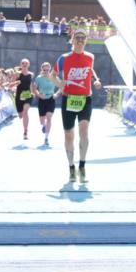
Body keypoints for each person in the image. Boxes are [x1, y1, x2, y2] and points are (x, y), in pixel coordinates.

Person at [54, 29, 102, 182]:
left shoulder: (91, 57)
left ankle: (82, 166)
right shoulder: (64, 58)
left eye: (83, 38)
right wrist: (59, 84)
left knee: (84, 131)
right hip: (68, 99)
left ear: (86, 40)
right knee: (69, 135)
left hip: (85, 99)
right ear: (72, 40)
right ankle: (71, 168)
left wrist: (96, 80)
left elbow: (90, 68)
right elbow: (52, 75)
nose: (80, 40)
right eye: (77, 38)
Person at [32, 61, 58, 147]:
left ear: (50, 69)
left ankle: (46, 138)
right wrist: (39, 95)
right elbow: (34, 89)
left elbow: (62, 86)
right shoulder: (38, 78)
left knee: (49, 118)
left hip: (51, 99)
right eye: (44, 69)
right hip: (42, 100)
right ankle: (44, 125)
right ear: (42, 69)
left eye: (48, 69)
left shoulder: (54, 77)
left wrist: (56, 94)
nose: (46, 71)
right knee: (42, 120)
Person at [14, 59, 34, 139]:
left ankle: (25, 131)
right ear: (20, 65)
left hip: (28, 95)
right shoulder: (17, 74)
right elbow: (12, 83)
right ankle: (21, 113)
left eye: (26, 63)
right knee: (20, 115)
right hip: (19, 96)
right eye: (23, 63)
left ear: (28, 64)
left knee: (25, 111)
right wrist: (16, 83)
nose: (24, 64)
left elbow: (30, 84)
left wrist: (32, 92)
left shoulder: (31, 74)